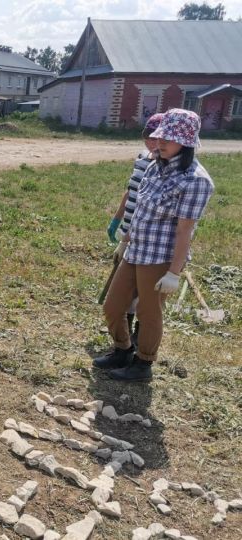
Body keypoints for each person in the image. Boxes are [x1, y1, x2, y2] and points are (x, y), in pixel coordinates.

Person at [94, 109, 214, 381]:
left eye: (168, 140)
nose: (160, 143)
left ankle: (143, 363)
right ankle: (122, 350)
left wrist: (174, 272)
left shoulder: (195, 181)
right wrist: (125, 240)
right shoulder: (152, 166)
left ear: (187, 142)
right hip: (136, 249)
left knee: (149, 313)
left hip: (160, 258)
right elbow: (138, 210)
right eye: (160, 138)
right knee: (113, 306)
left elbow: (185, 231)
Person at [105, 113, 165, 345]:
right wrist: (117, 219)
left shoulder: (164, 166)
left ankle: (141, 337)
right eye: (147, 136)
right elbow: (131, 191)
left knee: (146, 294)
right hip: (129, 230)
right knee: (123, 289)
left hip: (149, 240)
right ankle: (126, 334)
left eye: (155, 137)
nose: (150, 142)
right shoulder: (142, 160)